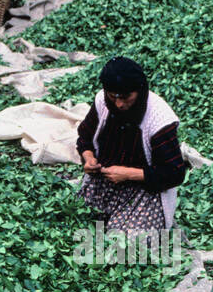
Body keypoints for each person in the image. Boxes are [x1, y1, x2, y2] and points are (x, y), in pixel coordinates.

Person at [76, 57, 189, 232]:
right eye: (113, 97)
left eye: (126, 97)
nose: (119, 104)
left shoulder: (159, 120)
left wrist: (129, 174)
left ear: (140, 90)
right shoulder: (102, 102)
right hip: (105, 180)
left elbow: (174, 173)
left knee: (126, 246)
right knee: (78, 221)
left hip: (146, 190)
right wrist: (89, 158)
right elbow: (85, 136)